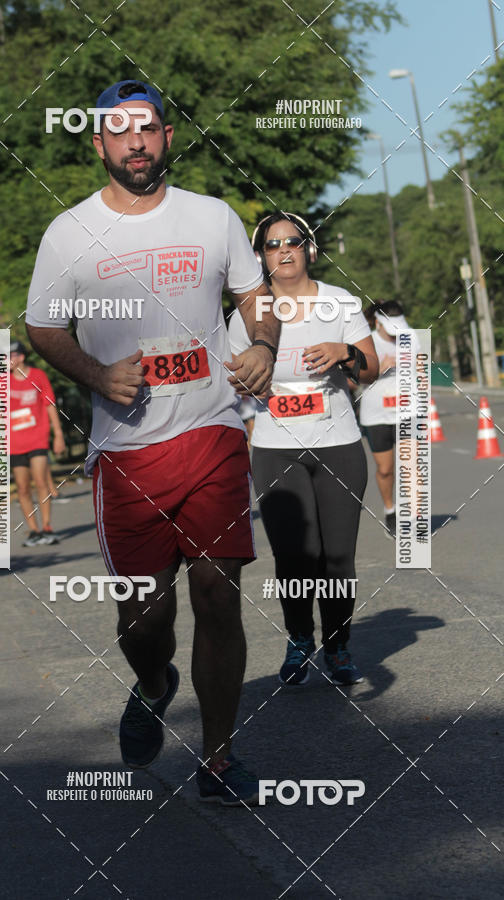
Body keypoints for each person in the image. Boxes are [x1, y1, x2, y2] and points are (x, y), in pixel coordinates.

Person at [24, 80, 279, 805]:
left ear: (167, 137)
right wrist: (97, 373)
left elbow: (253, 296)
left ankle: (219, 759)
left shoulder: (212, 217)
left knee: (217, 591)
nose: (135, 142)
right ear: (100, 143)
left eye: (149, 128)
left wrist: (262, 342)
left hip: (212, 430)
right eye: (119, 131)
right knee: (145, 617)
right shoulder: (68, 232)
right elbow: (43, 325)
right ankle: (153, 680)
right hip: (125, 454)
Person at [229, 212, 378, 688]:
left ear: (310, 249)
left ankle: (337, 646)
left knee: (337, 556)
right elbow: (233, 380)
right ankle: (299, 639)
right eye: (273, 245)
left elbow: (371, 369)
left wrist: (345, 354)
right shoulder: (249, 313)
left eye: (294, 241)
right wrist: (249, 378)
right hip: (274, 447)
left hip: (338, 444)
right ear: (261, 257)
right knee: (295, 555)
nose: (284, 250)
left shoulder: (339, 302)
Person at [359, 300, 410, 538]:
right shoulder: (366, 341)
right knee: (386, 469)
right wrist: (380, 369)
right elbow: (353, 379)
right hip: (376, 414)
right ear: (378, 322)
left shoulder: (409, 339)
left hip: (407, 412)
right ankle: (391, 511)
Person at [9, 340, 66, 546]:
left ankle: (47, 526)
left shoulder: (38, 376)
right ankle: (33, 530)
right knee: (23, 488)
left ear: (21, 357)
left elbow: (50, 405)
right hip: (14, 443)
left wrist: (58, 434)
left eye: (10, 356)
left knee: (41, 482)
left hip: (37, 438)